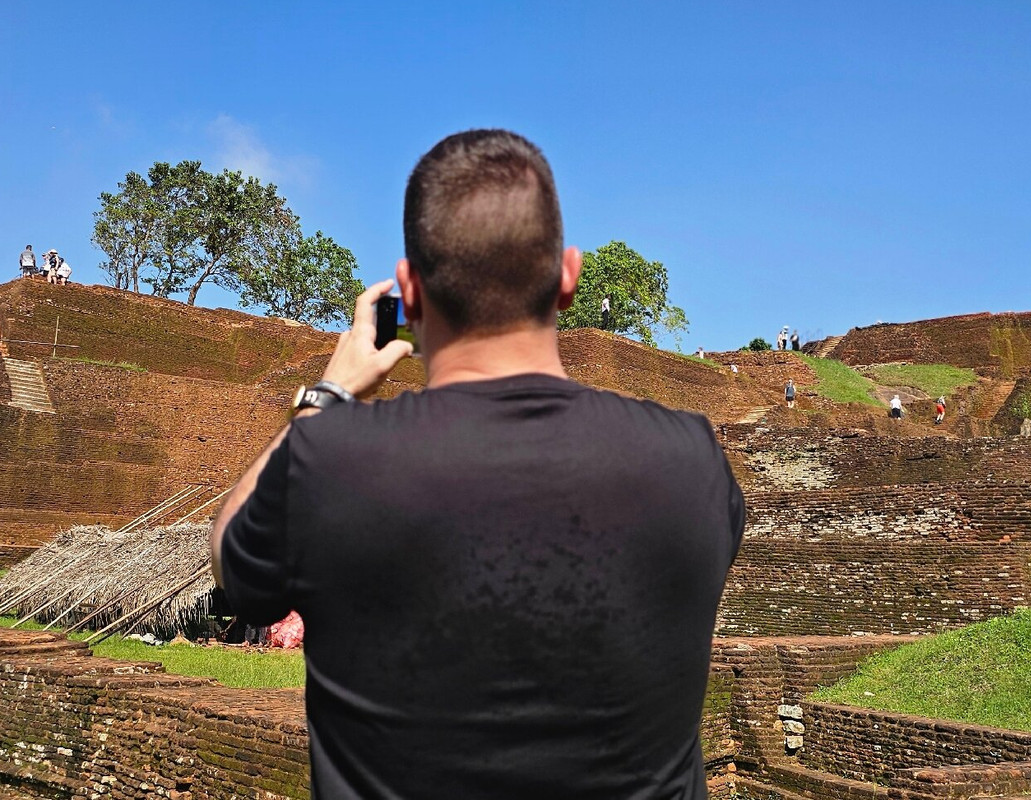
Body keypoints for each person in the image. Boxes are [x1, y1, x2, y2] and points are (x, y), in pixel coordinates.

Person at [211, 129, 745, 800]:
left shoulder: (331, 463)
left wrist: (328, 395)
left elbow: (231, 558)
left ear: (409, 288)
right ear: (569, 276)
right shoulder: (691, 462)